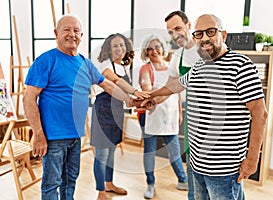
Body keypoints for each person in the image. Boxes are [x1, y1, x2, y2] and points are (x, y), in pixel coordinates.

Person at [142, 14, 268, 200]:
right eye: (199, 34)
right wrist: (151, 95)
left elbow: (260, 114)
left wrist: (252, 160)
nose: (205, 38)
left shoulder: (241, 66)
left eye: (211, 31)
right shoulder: (199, 66)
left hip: (224, 170)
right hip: (196, 164)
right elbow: (176, 85)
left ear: (223, 35)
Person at [22, 15, 146, 200]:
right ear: (56, 33)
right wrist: (38, 135)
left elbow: (107, 85)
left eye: (76, 31)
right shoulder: (46, 61)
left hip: (75, 136)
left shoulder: (85, 63)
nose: (72, 34)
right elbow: (28, 99)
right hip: (53, 136)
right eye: (66, 30)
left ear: (81, 35)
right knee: (51, 184)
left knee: (70, 180)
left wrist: (129, 100)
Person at [90, 33, 149, 200]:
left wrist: (141, 100)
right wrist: (135, 92)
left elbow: (126, 97)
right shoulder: (104, 65)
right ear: (109, 49)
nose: (119, 49)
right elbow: (115, 81)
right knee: (101, 154)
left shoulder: (124, 67)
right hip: (102, 111)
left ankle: (109, 183)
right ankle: (101, 192)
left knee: (111, 151)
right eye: (115, 46)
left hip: (117, 111)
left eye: (122, 45)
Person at [138, 34, 188, 199]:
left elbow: (178, 93)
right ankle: (150, 184)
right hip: (152, 115)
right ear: (146, 51)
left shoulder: (171, 67)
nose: (154, 51)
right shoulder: (146, 69)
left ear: (163, 48)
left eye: (157, 47)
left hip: (171, 116)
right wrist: (160, 94)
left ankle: (182, 180)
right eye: (150, 48)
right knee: (150, 152)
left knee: (174, 151)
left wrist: (180, 112)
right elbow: (147, 89)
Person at [165, 10, 199, 200]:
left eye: (178, 28)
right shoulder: (177, 56)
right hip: (193, 115)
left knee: (218, 176)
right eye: (170, 32)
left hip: (217, 118)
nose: (175, 35)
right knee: (193, 167)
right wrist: (150, 98)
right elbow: (170, 87)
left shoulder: (207, 50)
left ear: (189, 25)